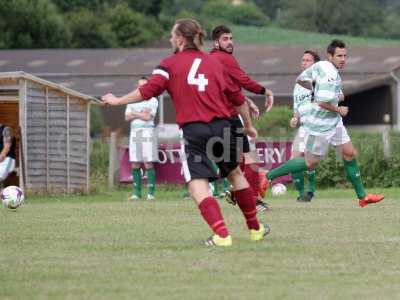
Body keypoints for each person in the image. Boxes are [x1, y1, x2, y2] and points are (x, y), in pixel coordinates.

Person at [102, 18, 269, 246]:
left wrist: (117, 100)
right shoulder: (214, 63)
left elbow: (149, 90)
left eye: (172, 35)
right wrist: (248, 126)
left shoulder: (169, 64)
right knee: (235, 175)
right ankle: (255, 228)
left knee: (196, 183)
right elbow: (238, 98)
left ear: (180, 39)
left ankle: (222, 235)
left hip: (196, 130)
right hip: (224, 127)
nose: (171, 39)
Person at [265, 40, 384, 208]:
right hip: (321, 125)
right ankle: (267, 177)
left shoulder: (322, 66)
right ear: (330, 56)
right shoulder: (330, 74)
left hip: (334, 123)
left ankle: (363, 197)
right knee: (309, 163)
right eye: (339, 56)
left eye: (345, 56)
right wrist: (339, 110)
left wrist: (321, 91)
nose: (343, 59)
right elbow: (321, 102)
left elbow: (303, 80)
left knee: (349, 153)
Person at [210, 25, 274, 212]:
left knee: (240, 160)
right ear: (216, 42)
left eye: (231, 38)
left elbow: (229, 87)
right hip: (227, 116)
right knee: (249, 156)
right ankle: (251, 199)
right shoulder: (224, 58)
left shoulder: (212, 59)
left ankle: (237, 193)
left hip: (221, 116)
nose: (230, 42)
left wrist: (246, 101)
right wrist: (265, 91)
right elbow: (244, 80)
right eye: (225, 39)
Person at [289, 50, 320, 202]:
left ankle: (310, 191)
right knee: (294, 159)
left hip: (316, 125)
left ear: (315, 64)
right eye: (303, 60)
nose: (304, 62)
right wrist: (294, 118)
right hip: (303, 126)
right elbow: (297, 107)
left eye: (308, 60)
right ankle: (302, 194)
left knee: (310, 161)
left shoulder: (319, 80)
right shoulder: (298, 83)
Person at [125, 77, 158, 200]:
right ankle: (136, 193)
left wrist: (134, 113)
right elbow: (127, 117)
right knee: (135, 162)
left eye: (144, 86)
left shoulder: (153, 100)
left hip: (147, 133)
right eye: (139, 86)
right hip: (134, 133)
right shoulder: (131, 100)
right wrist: (140, 113)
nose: (141, 88)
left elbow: (148, 117)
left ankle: (150, 193)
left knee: (148, 162)